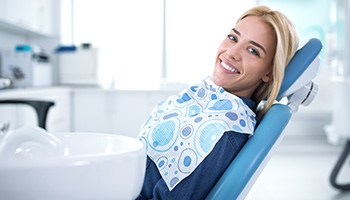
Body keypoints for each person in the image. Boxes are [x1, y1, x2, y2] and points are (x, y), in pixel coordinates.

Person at [136, 5, 299, 200]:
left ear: (269, 72)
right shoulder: (202, 95)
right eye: (233, 38)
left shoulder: (222, 132)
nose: (231, 53)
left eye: (252, 51)